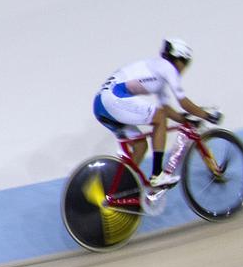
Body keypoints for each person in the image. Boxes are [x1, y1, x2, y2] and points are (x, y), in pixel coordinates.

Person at [93, 39, 221, 188]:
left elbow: (167, 109)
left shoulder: (157, 69)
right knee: (158, 117)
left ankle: (118, 189)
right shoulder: (168, 68)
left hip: (101, 104)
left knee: (141, 146)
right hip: (113, 100)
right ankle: (157, 175)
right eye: (186, 63)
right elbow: (183, 102)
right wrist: (207, 115)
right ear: (179, 59)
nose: (185, 68)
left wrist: (185, 119)